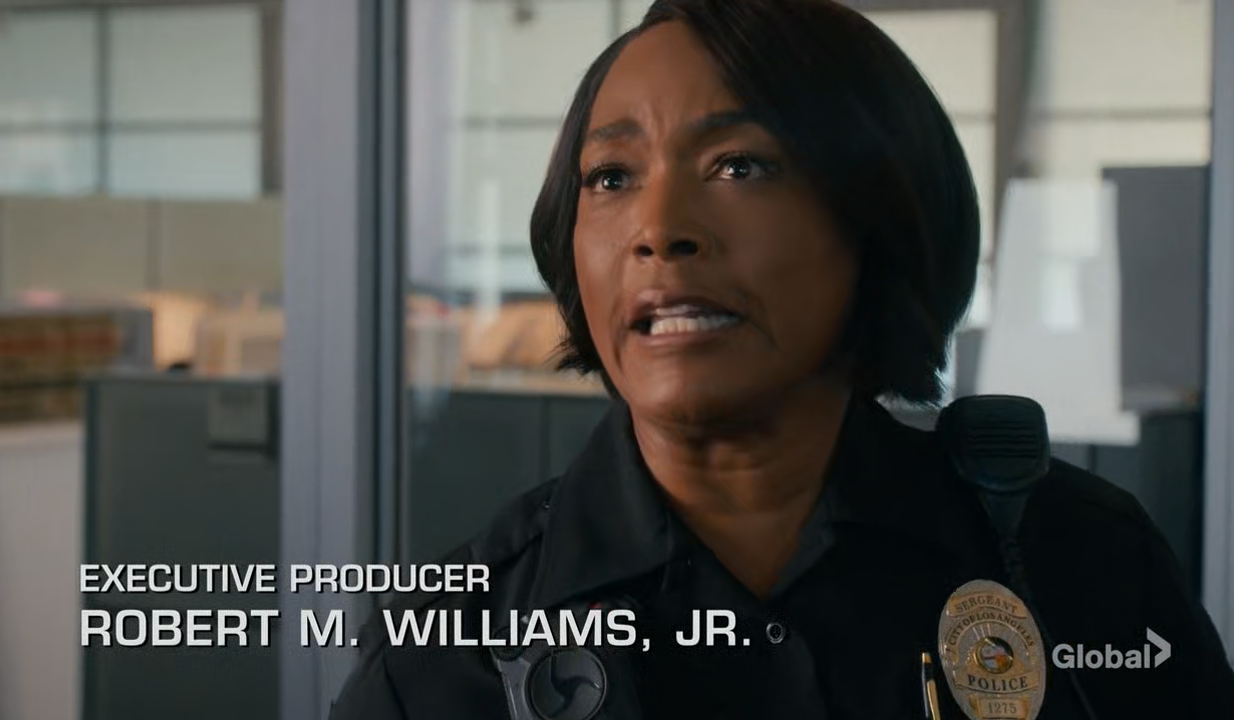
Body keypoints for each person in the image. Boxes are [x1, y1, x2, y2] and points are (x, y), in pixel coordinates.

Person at [330, 1, 1234, 718]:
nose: (659, 230)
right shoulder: (445, 659)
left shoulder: (1077, 564)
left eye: (740, 166)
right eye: (611, 177)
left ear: (875, 217)